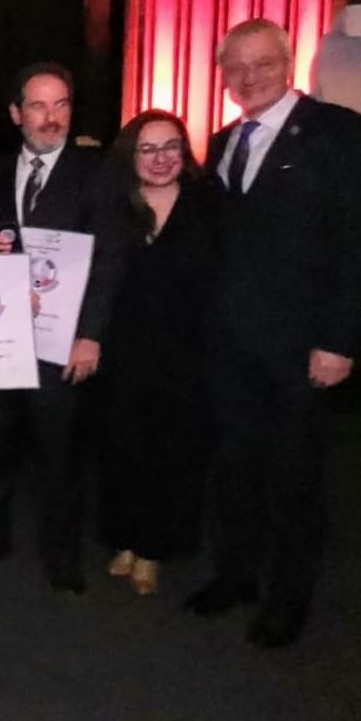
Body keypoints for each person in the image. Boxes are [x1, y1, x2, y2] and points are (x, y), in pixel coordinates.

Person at [185, 18, 361, 647]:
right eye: (235, 67)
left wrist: (339, 340)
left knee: (295, 477)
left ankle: (287, 599)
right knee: (236, 467)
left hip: (302, 346)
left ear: (287, 62)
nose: (248, 77)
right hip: (230, 344)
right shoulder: (221, 143)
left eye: (262, 63)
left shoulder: (339, 133)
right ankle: (237, 575)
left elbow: (360, 246)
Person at [0, 62, 130, 594]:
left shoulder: (96, 173)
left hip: (61, 344)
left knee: (60, 459)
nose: (50, 116)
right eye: (38, 105)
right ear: (16, 114)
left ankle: (62, 557)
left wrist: (91, 335)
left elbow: (109, 259)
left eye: (60, 104)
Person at [94, 111, 219, 596]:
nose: (161, 158)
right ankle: (124, 538)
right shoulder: (112, 205)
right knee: (122, 448)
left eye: (171, 147)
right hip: (122, 350)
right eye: (148, 149)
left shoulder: (209, 204)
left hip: (187, 352)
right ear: (130, 155)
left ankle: (154, 548)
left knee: (173, 452)